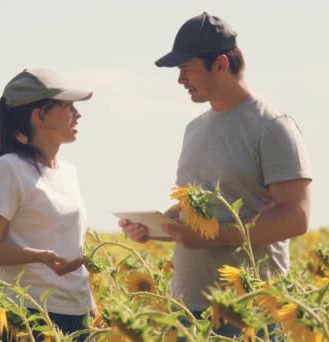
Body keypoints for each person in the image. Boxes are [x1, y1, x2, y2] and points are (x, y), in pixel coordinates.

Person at [119, 12, 312, 339]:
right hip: (189, 307)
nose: (180, 79)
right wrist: (154, 227)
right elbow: (193, 210)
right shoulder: (194, 129)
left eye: (185, 69)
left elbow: (295, 218)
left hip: (250, 308)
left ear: (220, 64)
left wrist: (213, 236)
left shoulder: (273, 126)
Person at [0, 68, 94, 341]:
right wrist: (39, 256)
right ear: (39, 116)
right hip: (30, 314)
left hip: (78, 312)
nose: (77, 114)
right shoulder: (10, 169)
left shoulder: (68, 172)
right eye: (67, 107)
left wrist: (90, 304)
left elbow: (70, 244)